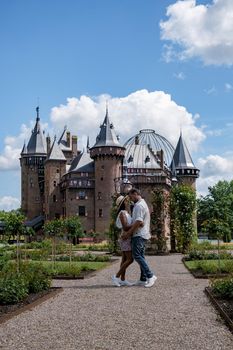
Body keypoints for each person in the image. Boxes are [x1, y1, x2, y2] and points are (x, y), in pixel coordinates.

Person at [122, 188, 157, 288]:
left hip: (139, 235)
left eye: (131, 196)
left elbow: (138, 221)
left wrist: (128, 233)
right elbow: (139, 222)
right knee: (141, 256)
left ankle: (150, 276)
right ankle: (143, 278)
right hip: (142, 234)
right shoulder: (143, 204)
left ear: (136, 193)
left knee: (137, 255)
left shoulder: (139, 206)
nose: (130, 198)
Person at [111, 195, 134, 287]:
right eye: (126, 200)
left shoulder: (125, 212)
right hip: (125, 238)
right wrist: (137, 224)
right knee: (130, 259)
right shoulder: (122, 213)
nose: (128, 201)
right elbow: (125, 227)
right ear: (123, 203)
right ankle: (116, 276)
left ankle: (123, 279)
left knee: (124, 259)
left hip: (126, 237)